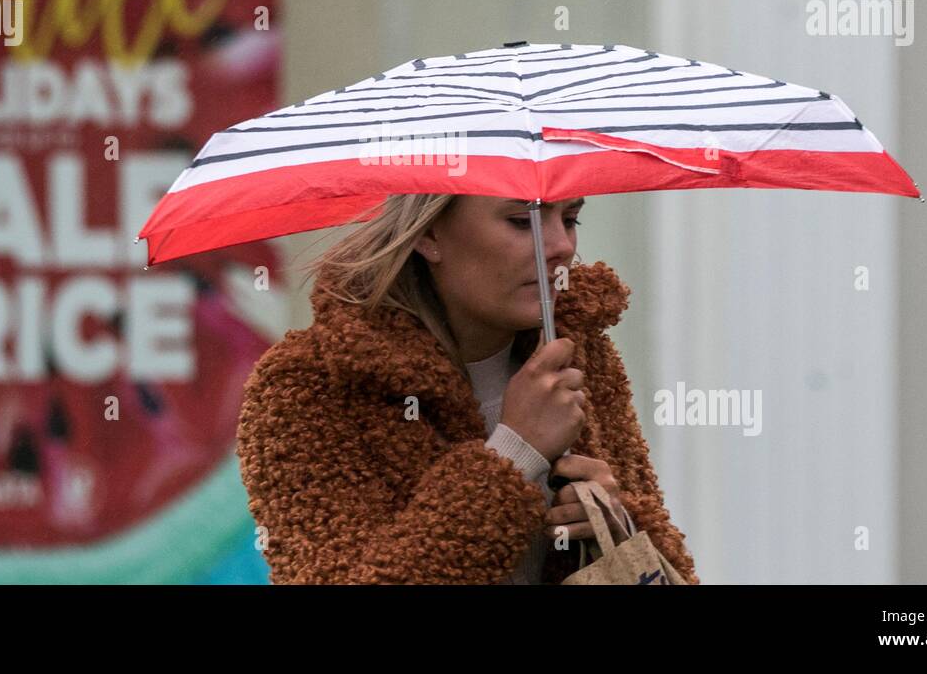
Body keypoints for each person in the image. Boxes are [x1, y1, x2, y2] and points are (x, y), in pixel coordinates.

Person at [235, 193, 700, 584]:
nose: (560, 246)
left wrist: (613, 520)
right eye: (523, 222)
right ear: (428, 234)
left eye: (571, 218)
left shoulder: (578, 350)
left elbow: (666, 564)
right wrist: (516, 455)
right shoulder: (315, 384)